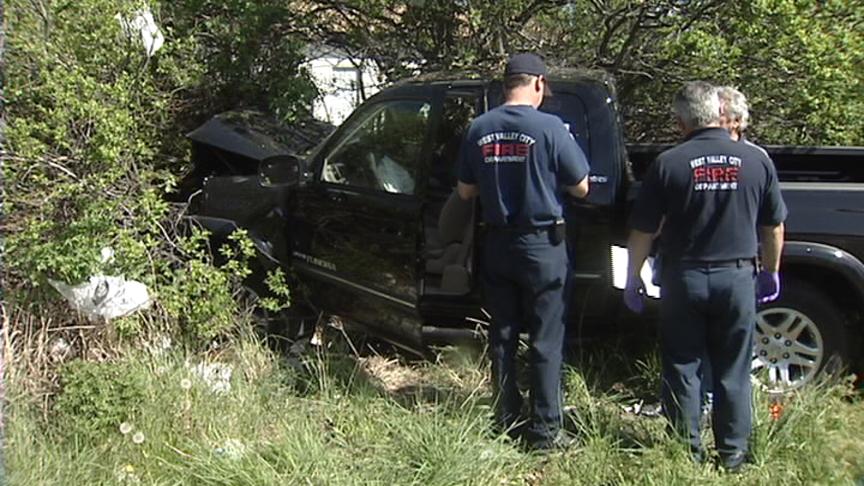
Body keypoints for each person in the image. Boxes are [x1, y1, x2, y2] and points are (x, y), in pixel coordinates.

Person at [623, 81, 786, 471]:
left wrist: (634, 277)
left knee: (683, 363)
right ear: (718, 113)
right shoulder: (757, 161)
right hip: (737, 278)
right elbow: (774, 227)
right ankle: (733, 454)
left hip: (685, 278)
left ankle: (687, 449)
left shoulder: (669, 163)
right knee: (734, 368)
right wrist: (772, 271)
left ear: (681, 122)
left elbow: (643, 231)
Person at [456, 53, 590, 450]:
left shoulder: (479, 128)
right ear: (537, 83)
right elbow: (582, 186)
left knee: (502, 334)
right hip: (543, 245)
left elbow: (465, 191)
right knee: (546, 339)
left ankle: (505, 418)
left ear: (506, 84)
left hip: (498, 241)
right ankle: (546, 431)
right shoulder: (550, 128)